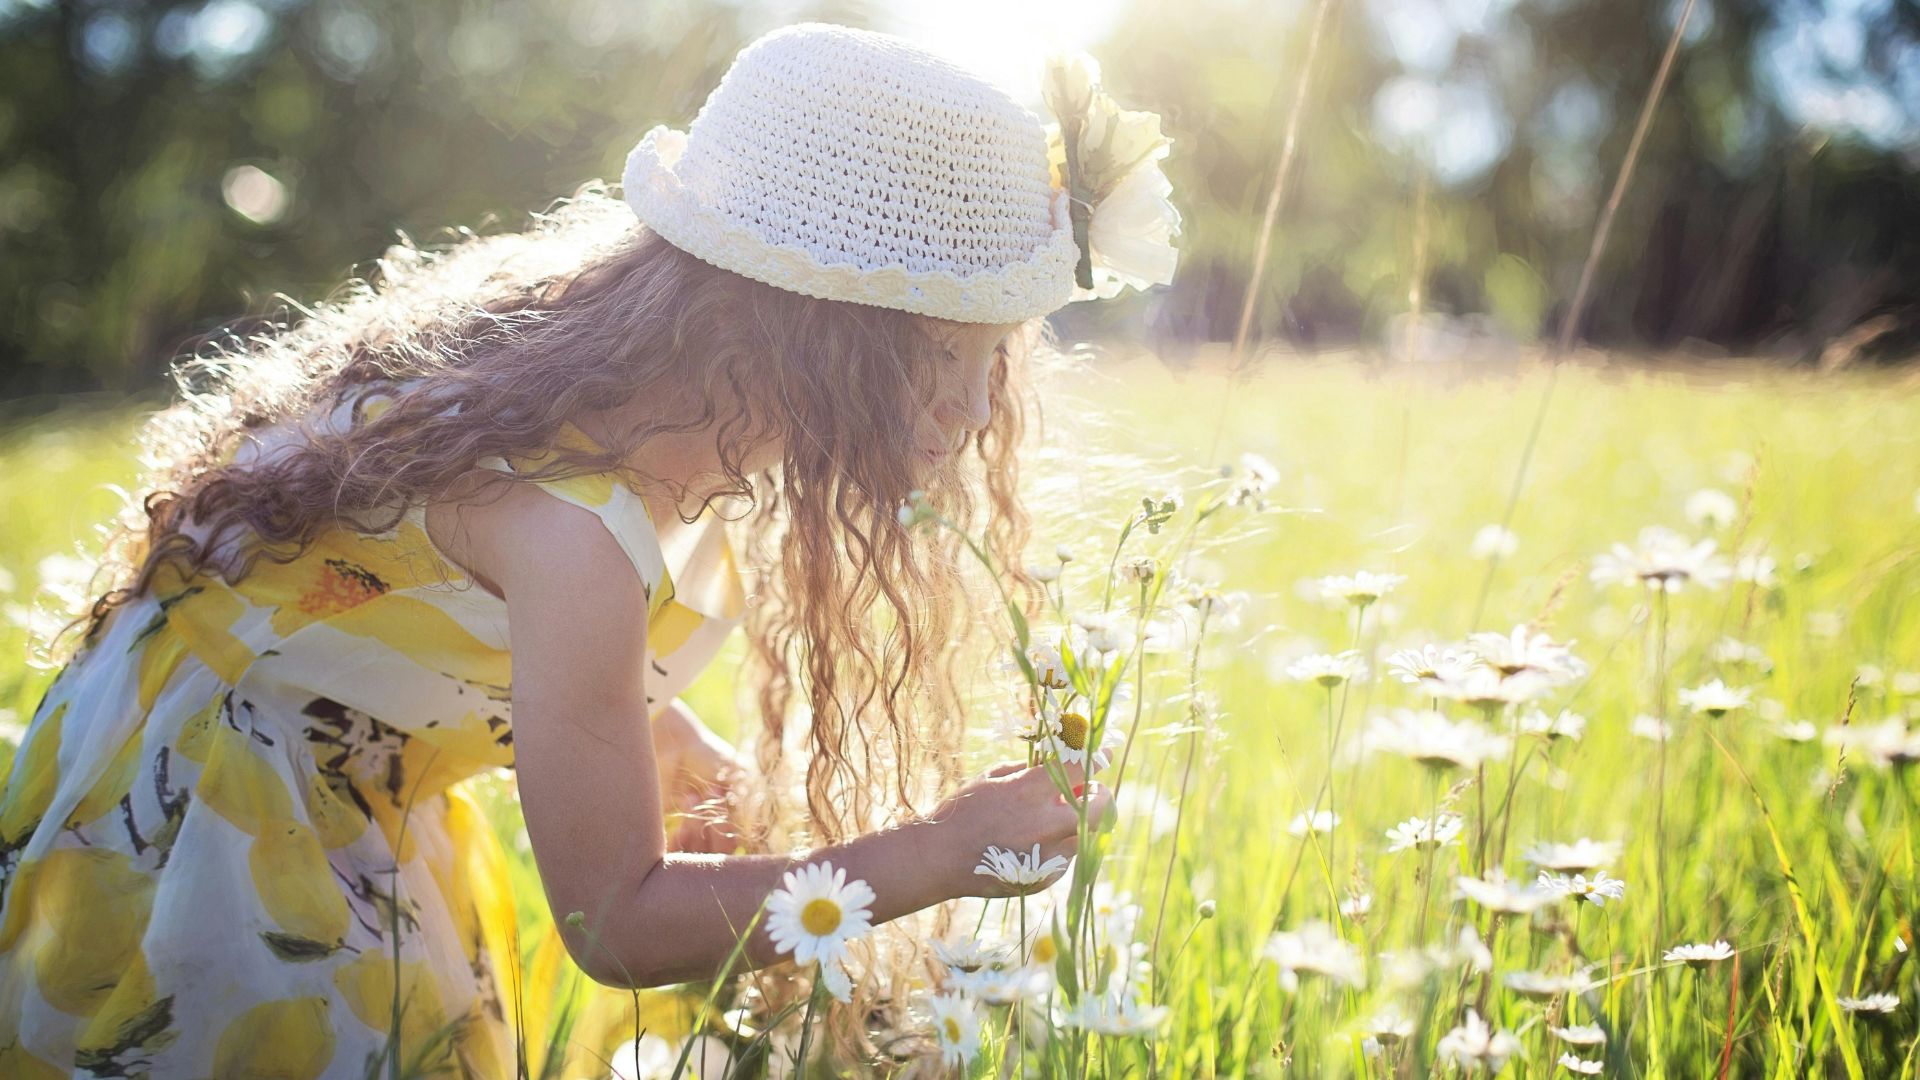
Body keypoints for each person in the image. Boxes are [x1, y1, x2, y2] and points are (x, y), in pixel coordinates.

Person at [0, 21, 1177, 1076]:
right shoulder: (577, 530)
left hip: (337, 763)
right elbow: (616, 925)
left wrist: (654, 730)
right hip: (209, 813)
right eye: (944, 357)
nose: (978, 413)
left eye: (996, 359)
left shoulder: (624, 389)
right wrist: (937, 852)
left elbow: (400, 600)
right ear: (812, 334)